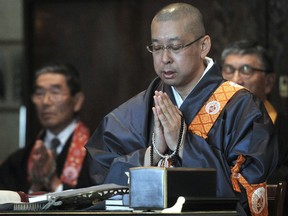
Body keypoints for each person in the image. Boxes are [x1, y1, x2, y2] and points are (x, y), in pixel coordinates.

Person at [86, 3, 278, 215]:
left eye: (175, 47)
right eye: (157, 48)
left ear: (203, 46)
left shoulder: (242, 108)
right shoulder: (139, 109)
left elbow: (246, 195)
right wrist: (153, 154)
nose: (165, 58)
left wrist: (184, 145)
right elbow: (98, 182)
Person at [0, 63, 93, 193]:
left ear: (77, 101)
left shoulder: (96, 154)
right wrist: (35, 187)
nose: (46, 102)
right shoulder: (19, 160)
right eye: (39, 93)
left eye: (55, 93)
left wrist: (54, 184)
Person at [221, 40, 288, 215]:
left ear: (269, 82)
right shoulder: (211, 126)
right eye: (229, 70)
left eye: (246, 70)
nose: (236, 79)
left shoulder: (283, 129)